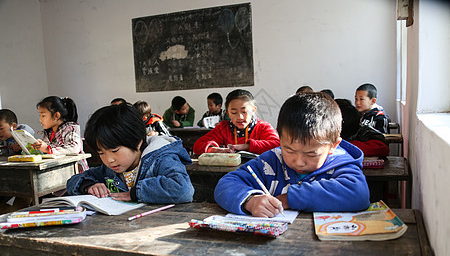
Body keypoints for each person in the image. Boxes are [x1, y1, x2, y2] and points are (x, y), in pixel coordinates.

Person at [214, 92, 370, 217]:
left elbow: (358, 193)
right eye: (289, 149)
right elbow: (226, 184)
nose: (299, 162)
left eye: (311, 154)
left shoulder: (341, 163)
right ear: (279, 139)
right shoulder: (273, 160)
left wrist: (289, 198)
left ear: (333, 145)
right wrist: (250, 200)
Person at [66, 104, 194, 204]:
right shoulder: (111, 168)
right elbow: (73, 181)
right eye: (101, 153)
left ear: (137, 142)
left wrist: (135, 193)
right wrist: (88, 185)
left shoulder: (161, 158)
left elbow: (183, 189)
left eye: (115, 151)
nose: (109, 160)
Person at [193, 89, 280, 155]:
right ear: (228, 113)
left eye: (244, 111)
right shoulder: (224, 128)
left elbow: (277, 145)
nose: (240, 117)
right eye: (234, 113)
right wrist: (214, 150)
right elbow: (197, 146)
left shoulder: (262, 127)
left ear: (253, 110)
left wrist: (246, 146)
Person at [34, 96, 88, 172]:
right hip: (57, 171)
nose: (40, 119)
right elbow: (46, 149)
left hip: (75, 171)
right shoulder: (49, 132)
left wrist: (48, 149)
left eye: (43, 116)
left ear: (56, 115)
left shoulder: (71, 128)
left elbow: (74, 148)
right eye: (40, 116)